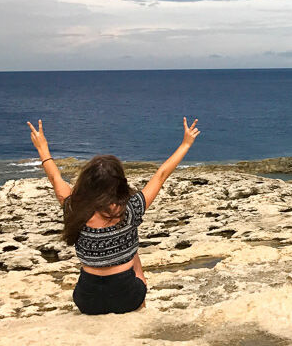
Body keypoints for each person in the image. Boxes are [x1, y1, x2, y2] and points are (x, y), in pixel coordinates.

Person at [26, 117, 201, 315]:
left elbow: (54, 177)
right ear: (119, 184)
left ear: (86, 183)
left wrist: (42, 148)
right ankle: (141, 306)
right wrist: (186, 143)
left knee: (123, 253)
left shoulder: (73, 208)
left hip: (87, 300)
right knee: (133, 252)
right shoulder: (131, 208)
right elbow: (161, 175)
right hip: (127, 298)